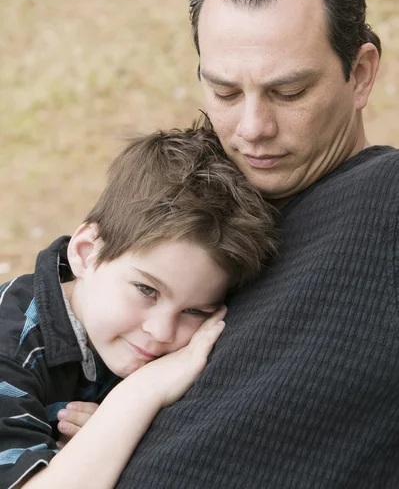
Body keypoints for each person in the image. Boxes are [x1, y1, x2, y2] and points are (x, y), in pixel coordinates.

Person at [111, 0, 399, 489]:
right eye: (223, 91)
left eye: (288, 91)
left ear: (361, 74)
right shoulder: (188, 198)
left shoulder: (387, 202)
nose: (251, 128)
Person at [0, 120, 277, 489]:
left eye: (195, 311)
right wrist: (135, 399)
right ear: (86, 253)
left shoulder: (120, 335)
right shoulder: (10, 349)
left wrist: (104, 437)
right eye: (147, 290)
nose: (162, 332)